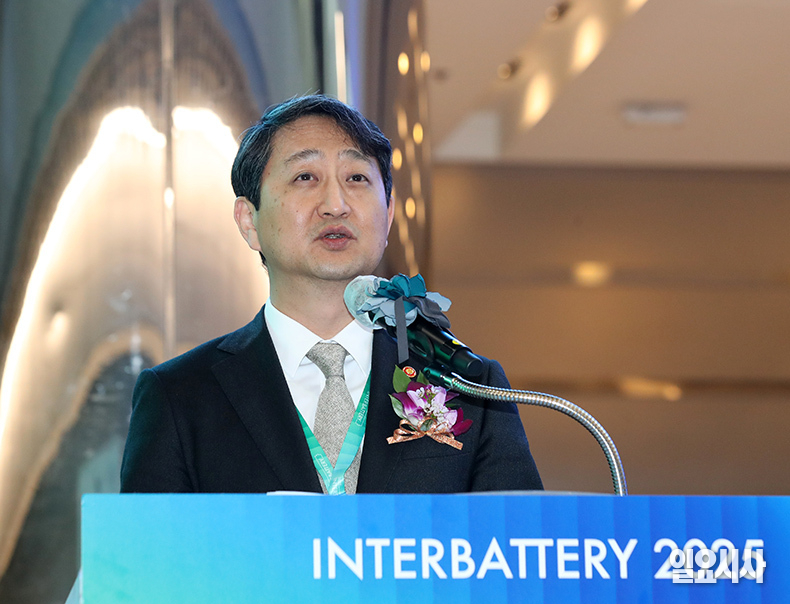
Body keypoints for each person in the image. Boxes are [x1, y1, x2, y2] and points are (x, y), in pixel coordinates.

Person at [120, 95, 542, 494]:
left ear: (388, 214)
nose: (336, 204)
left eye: (356, 178)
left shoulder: (471, 387)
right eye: (305, 177)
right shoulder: (179, 397)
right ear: (249, 220)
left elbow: (520, 539)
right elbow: (147, 546)